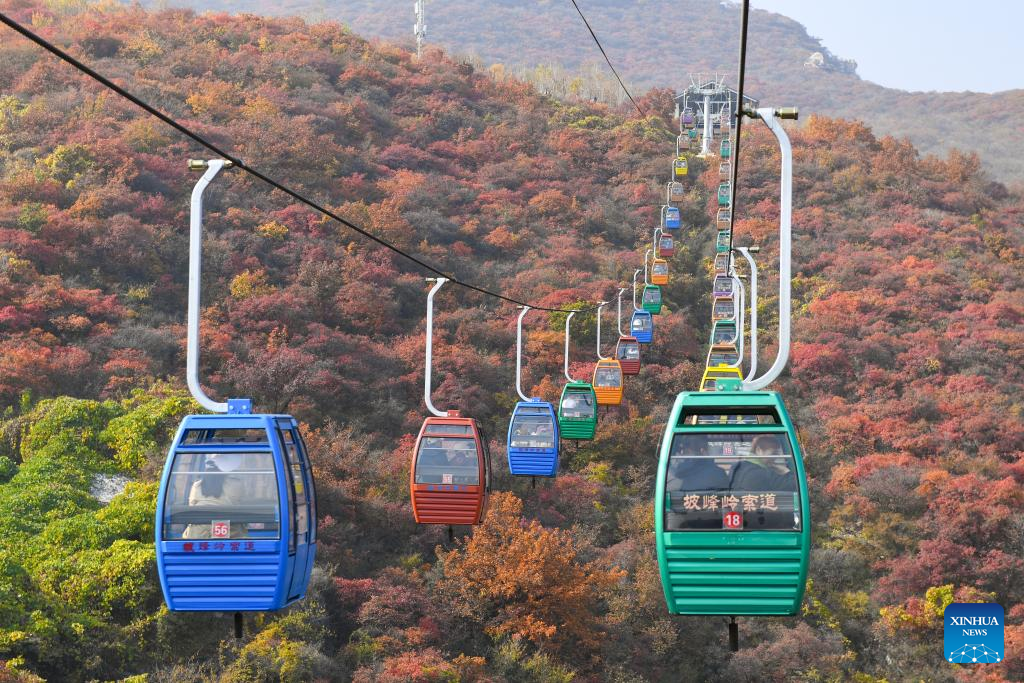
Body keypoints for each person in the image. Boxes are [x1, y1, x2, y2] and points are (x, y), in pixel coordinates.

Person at [183, 453, 246, 539]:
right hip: (230, 534)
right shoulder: (236, 484)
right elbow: (241, 505)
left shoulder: (197, 486)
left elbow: (192, 506)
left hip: (198, 535)